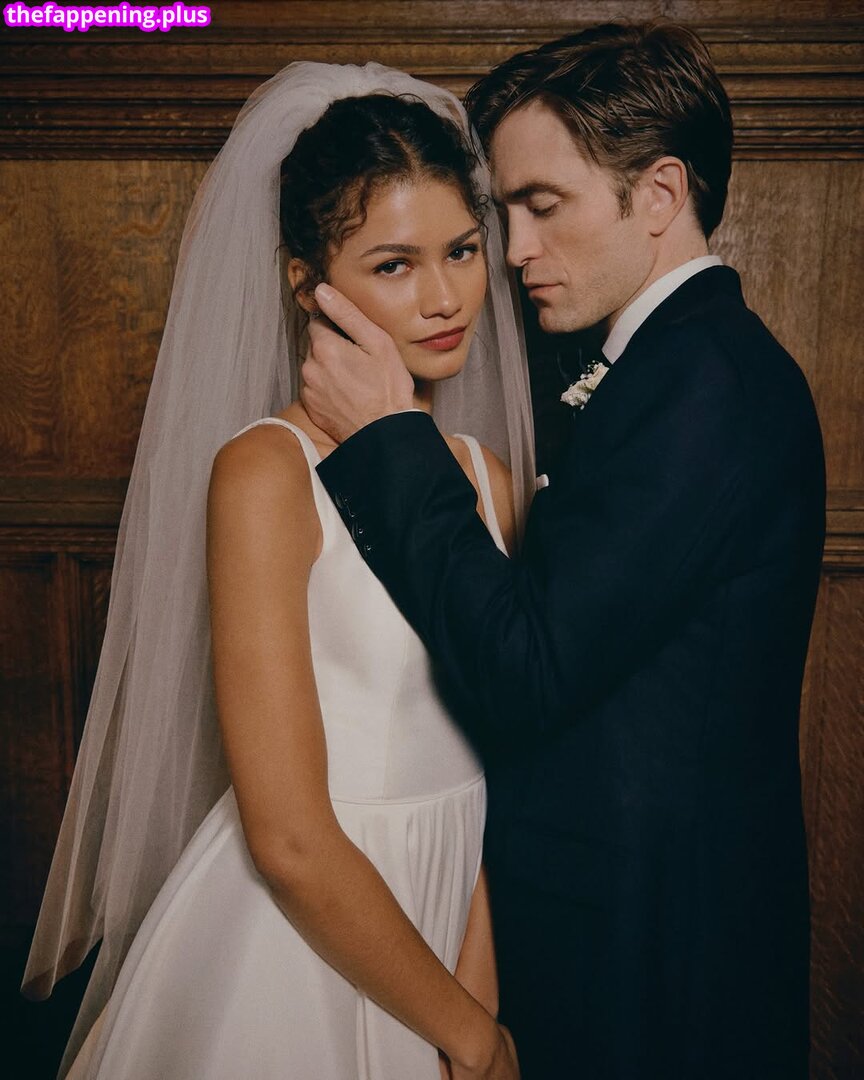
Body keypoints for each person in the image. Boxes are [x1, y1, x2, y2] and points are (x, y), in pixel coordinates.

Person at [300, 22, 827, 1080]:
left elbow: (526, 668)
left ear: (660, 194)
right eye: (506, 214)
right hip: (609, 936)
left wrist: (390, 438)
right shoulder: (659, 367)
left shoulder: (705, 384)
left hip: (659, 964)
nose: (514, 250)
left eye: (543, 206)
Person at [22, 62, 536, 1079]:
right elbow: (290, 838)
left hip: (450, 927)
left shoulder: (489, 480)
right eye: (393, 264)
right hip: (300, 942)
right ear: (308, 283)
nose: (445, 296)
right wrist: (474, 1036)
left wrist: (475, 994)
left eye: (462, 250)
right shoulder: (266, 473)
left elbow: (487, 764)